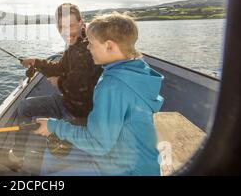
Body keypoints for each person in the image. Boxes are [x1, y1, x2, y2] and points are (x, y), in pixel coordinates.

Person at [33, 12, 164, 176]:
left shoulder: (112, 86)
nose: (88, 47)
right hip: (133, 158)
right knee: (50, 156)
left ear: (109, 46)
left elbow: (98, 144)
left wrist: (53, 126)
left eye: (92, 44)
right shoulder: (135, 70)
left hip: (126, 170)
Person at [0, 3, 102, 172]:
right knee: (25, 106)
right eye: (61, 27)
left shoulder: (90, 46)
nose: (66, 32)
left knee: (55, 151)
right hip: (67, 102)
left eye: (71, 25)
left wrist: (59, 83)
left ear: (81, 23)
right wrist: (36, 62)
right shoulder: (74, 42)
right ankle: (17, 157)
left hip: (83, 113)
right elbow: (60, 67)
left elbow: (82, 90)